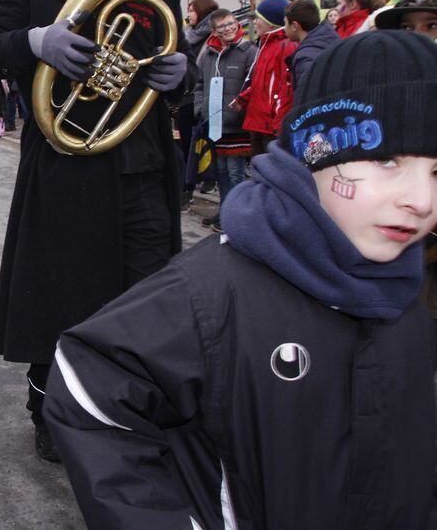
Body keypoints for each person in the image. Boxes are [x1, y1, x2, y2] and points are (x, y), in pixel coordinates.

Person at [43, 31, 437, 529]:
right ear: (315, 149)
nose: (421, 200)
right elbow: (89, 383)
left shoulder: (410, 299)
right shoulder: (212, 290)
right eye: (387, 161)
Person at [0, 0, 192, 461]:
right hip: (68, 168)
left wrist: (179, 77)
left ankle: (129, 409)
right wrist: (35, 42)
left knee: (144, 298)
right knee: (64, 299)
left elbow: (174, 70)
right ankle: (51, 411)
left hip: (142, 168)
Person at [195, 9, 256, 231]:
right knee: (219, 171)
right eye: (222, 26)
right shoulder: (208, 54)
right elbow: (199, 84)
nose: (229, 29)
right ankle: (224, 210)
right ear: (214, 31)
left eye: (231, 24)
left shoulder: (249, 51)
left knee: (235, 172)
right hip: (215, 122)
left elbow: (252, 86)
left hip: (237, 124)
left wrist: (241, 110)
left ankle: (237, 215)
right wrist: (200, 109)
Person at [235, 0, 297, 157]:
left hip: (269, 125)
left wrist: (277, 121)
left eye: (258, 19)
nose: (254, 22)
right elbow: (261, 81)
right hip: (259, 121)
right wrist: (244, 97)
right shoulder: (266, 44)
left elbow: (285, 86)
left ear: (271, 22)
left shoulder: (285, 46)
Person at [181, 0, 219, 208]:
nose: (188, 14)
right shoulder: (191, 35)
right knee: (187, 144)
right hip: (188, 96)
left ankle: (200, 182)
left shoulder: (209, 37)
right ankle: (189, 185)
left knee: (202, 145)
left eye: (192, 9)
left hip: (200, 97)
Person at [284, 0, 340, 92]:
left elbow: (308, 96)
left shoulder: (305, 58)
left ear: (294, 26)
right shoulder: (330, 40)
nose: (284, 28)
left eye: (285, 23)